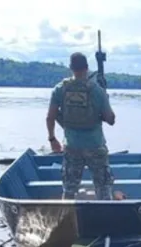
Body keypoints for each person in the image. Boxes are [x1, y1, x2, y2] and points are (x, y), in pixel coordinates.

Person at [46, 52, 116, 200]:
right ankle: (107, 217)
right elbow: (111, 119)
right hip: (96, 146)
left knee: (69, 189)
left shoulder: (60, 89)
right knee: (103, 188)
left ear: (71, 67)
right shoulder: (97, 90)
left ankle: (66, 218)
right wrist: (105, 96)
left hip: (72, 147)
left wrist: (52, 139)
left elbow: (50, 117)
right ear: (87, 68)